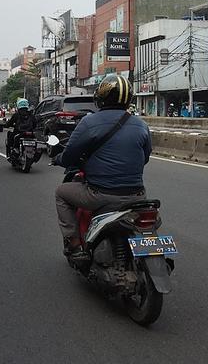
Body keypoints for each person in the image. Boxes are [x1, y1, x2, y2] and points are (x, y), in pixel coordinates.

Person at [54, 74, 152, 260]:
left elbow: (69, 157)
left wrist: (59, 158)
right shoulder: (141, 125)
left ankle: (74, 244)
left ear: (101, 97)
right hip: (138, 195)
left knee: (61, 192)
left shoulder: (89, 122)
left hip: (101, 195)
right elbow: (145, 158)